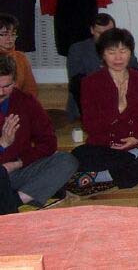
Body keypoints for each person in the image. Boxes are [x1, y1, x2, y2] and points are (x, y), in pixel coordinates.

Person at [70, 28, 138, 191]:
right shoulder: (90, 83)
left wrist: (137, 138)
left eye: (123, 51)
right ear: (102, 55)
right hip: (103, 148)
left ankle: (104, 176)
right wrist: (118, 109)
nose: (118, 57)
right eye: (111, 52)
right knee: (77, 156)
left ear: (130, 53)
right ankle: (128, 169)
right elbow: (89, 124)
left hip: (133, 143)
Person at [0, 55, 78, 214]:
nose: (1, 92)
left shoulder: (25, 102)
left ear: (15, 82)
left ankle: (15, 200)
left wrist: (17, 164)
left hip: (18, 170)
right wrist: (2, 144)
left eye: (7, 86)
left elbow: (48, 143)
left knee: (66, 161)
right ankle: (26, 196)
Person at [66, 13, 138, 118]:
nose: (105, 37)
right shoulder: (78, 49)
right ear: (92, 30)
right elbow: (77, 83)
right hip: (87, 108)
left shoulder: (123, 48)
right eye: (100, 33)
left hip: (121, 103)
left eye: (108, 32)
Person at [0, 14, 36, 98]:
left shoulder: (21, 57)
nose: (10, 38)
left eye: (13, 34)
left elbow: (30, 90)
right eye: (4, 34)